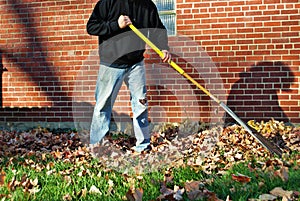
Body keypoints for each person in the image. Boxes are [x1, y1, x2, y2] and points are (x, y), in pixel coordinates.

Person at [86, 0, 171, 153]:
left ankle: (143, 145)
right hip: (111, 63)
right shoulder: (108, 3)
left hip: (136, 63)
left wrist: (164, 47)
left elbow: (158, 29)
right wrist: (115, 25)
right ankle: (97, 145)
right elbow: (91, 27)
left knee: (141, 103)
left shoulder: (147, 5)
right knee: (103, 105)